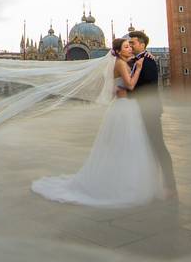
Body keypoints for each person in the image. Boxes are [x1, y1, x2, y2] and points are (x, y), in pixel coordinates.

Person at [31, 38, 163, 207]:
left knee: (126, 147)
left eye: (131, 46)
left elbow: (131, 67)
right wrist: (137, 68)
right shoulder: (121, 64)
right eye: (126, 46)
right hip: (124, 110)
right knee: (126, 146)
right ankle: (123, 184)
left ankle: (124, 181)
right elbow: (130, 85)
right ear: (117, 50)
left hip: (125, 108)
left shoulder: (121, 61)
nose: (130, 48)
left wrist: (143, 57)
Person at [124, 30, 177, 197]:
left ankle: (170, 186)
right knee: (145, 147)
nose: (130, 46)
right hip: (139, 110)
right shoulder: (138, 61)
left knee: (158, 147)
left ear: (142, 44)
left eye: (132, 43)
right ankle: (147, 183)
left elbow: (148, 88)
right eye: (129, 43)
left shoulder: (148, 61)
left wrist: (127, 93)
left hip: (149, 110)